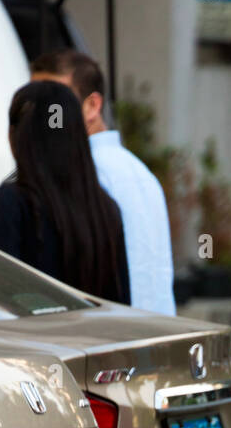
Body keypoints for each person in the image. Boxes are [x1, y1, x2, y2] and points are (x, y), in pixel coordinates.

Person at [30, 49, 175, 316]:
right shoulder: (139, 171)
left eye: (54, 102)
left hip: (113, 335)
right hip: (152, 334)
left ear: (92, 106)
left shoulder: (86, 174)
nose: (40, 113)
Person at [0, 81, 130, 304]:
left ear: (17, 137)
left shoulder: (12, 203)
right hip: (99, 337)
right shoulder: (106, 208)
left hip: (33, 338)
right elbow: (121, 304)